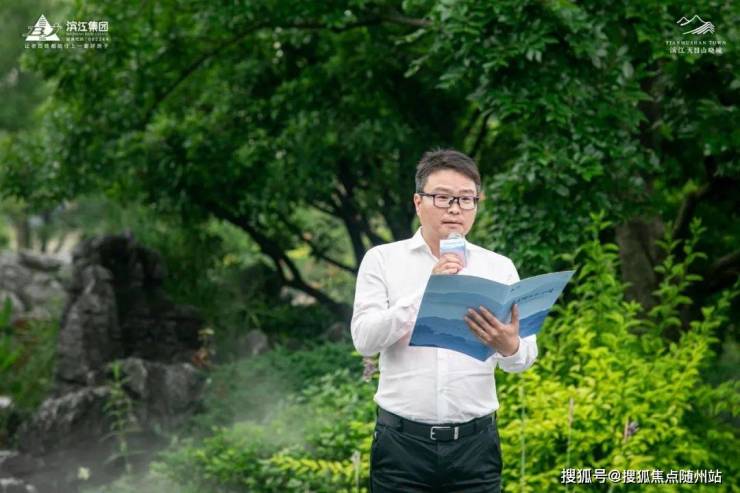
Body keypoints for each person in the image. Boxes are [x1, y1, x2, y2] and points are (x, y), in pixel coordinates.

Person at [351, 148, 538, 492]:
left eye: (466, 199)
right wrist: (426, 292)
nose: (455, 209)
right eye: (442, 197)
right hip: (401, 446)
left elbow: (523, 359)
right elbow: (364, 340)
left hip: (475, 447)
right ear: (418, 202)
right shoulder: (382, 260)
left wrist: (510, 346)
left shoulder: (499, 267)